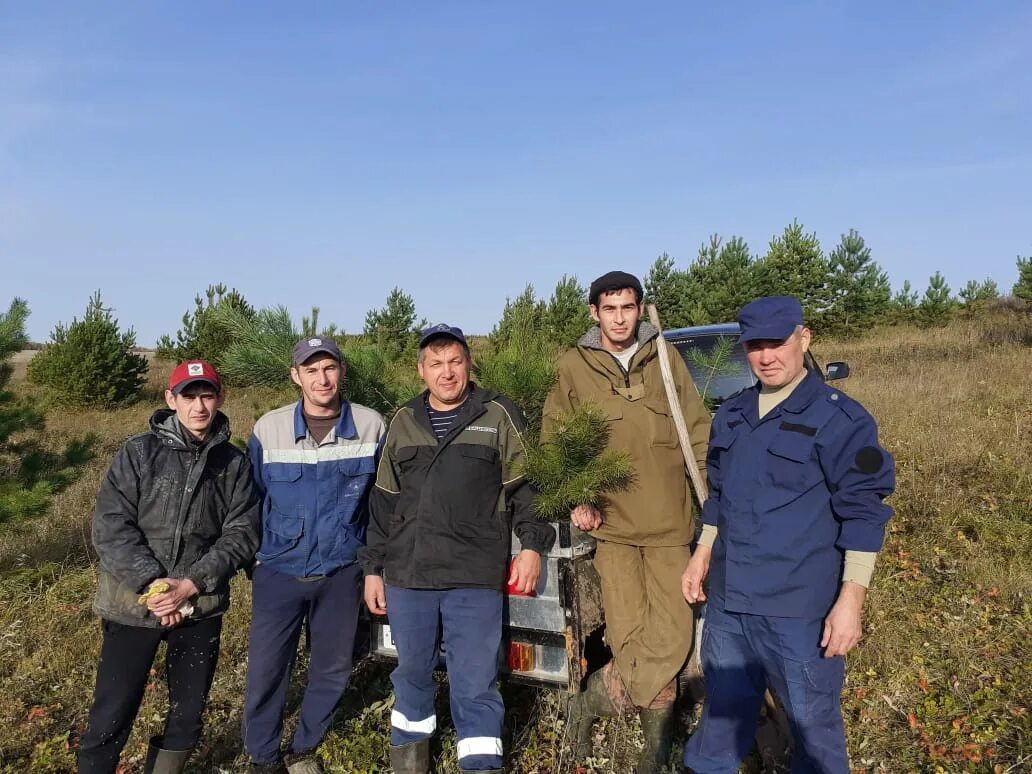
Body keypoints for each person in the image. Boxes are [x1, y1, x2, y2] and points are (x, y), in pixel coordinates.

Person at [681, 296, 896, 774]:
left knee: (813, 733)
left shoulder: (842, 419)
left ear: (803, 338)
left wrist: (851, 601)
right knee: (721, 723)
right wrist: (701, 554)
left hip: (798, 612)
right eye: (754, 346)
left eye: (776, 342)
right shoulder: (732, 414)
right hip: (731, 606)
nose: (766, 356)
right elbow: (720, 496)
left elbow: (863, 512)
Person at [360, 324, 556, 774]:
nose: (446, 373)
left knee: (475, 683)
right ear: (421, 370)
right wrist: (373, 567)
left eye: (455, 362)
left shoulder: (497, 414)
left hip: (472, 576)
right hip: (410, 576)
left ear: (469, 364)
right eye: (436, 364)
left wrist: (532, 547)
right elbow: (383, 503)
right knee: (411, 675)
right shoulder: (404, 420)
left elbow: (527, 489)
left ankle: (481, 765)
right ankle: (410, 762)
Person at [541, 271, 711, 773]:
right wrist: (577, 498)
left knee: (675, 632)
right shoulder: (575, 366)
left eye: (628, 307)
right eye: (609, 308)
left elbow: (696, 429)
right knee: (628, 628)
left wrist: (712, 499)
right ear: (594, 313)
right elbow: (557, 439)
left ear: (640, 309)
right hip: (610, 524)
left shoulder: (664, 356)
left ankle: (598, 691)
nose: (620, 317)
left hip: (669, 522)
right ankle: (654, 750)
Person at [79, 360, 261, 774]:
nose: (199, 406)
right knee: (113, 710)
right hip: (133, 605)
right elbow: (111, 525)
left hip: (199, 605)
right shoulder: (138, 452)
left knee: (187, 712)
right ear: (170, 399)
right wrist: (154, 584)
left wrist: (192, 584)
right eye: (189, 396)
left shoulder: (233, 464)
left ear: (220, 398)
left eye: (207, 395)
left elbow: (242, 532)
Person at [242, 338, 386, 774]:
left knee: (332, 668)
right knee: (267, 671)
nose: (321, 379)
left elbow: (382, 503)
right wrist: (257, 562)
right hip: (278, 572)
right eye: (311, 370)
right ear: (296, 376)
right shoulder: (269, 429)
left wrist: (372, 566)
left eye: (329, 368)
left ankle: (304, 746)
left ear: (342, 371)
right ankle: (262, 756)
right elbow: (251, 500)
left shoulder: (371, 425)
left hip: (341, 572)